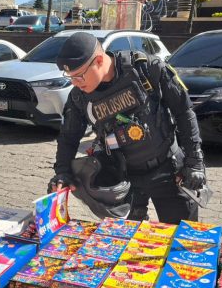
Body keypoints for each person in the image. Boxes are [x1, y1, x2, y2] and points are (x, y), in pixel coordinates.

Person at [47, 32, 206, 223]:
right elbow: (68, 137)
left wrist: (194, 161)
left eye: (79, 75)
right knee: (125, 242)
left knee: (182, 239)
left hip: (168, 169)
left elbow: (184, 112)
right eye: (70, 77)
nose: (75, 83)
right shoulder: (79, 97)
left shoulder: (147, 69)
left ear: (98, 60)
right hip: (124, 180)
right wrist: (63, 172)